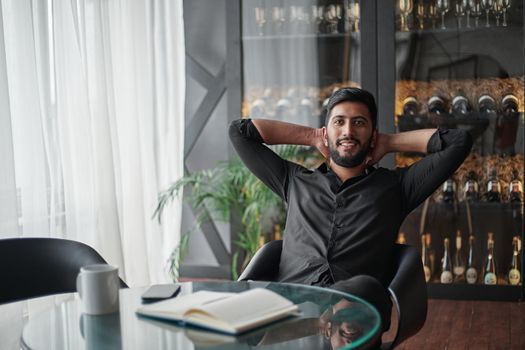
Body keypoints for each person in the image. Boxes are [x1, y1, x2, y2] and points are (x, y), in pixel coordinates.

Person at [229, 87, 473, 338]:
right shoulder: (294, 180)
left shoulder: (397, 187)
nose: (348, 131)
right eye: (339, 122)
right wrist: (313, 136)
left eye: (359, 123)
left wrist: (388, 142)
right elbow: (239, 132)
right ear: (327, 131)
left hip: (355, 317)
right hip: (290, 315)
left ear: (372, 134)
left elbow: (459, 142)